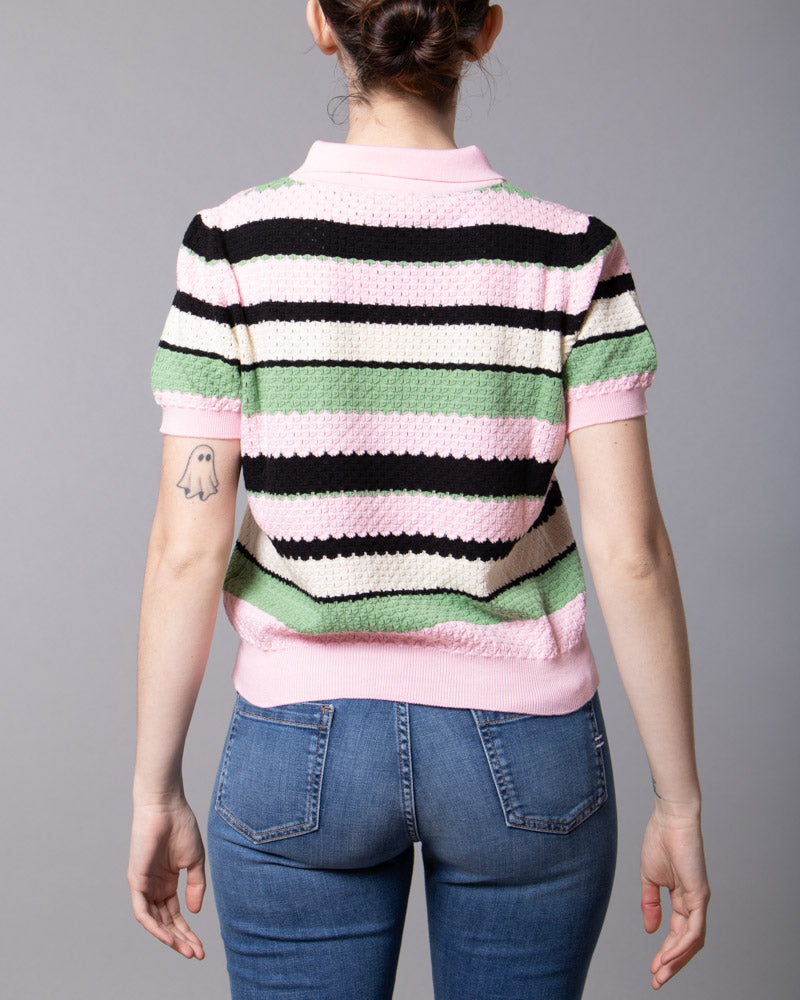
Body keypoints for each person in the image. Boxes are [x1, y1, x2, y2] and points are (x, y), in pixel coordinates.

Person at [127, 2, 710, 997]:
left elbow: (187, 547)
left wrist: (153, 789)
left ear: (322, 23)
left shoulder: (229, 248)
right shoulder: (572, 255)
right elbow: (631, 554)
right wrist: (680, 803)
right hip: (524, 749)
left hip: (297, 745)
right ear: (485, 29)